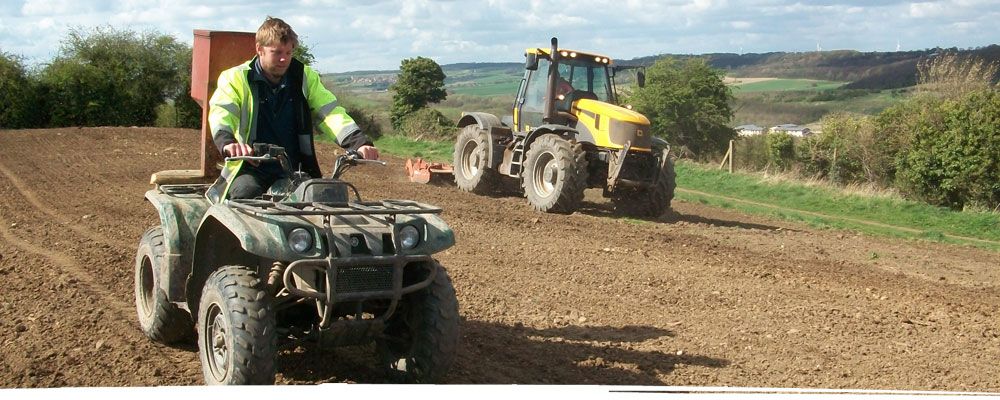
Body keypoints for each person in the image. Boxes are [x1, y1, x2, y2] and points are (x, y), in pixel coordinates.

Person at [206, 16, 379, 202]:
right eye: (277, 52)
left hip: (293, 170)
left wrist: (358, 142)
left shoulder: (303, 77)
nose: (284, 59)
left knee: (322, 202)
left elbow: (329, 112)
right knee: (244, 197)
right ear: (259, 49)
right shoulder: (236, 78)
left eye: (289, 53)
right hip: (251, 168)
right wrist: (228, 142)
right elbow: (222, 111)